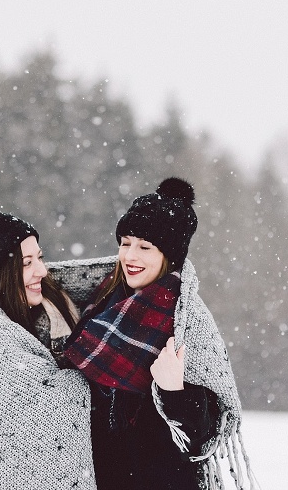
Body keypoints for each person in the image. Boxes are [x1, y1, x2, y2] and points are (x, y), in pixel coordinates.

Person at [63, 178, 257, 490]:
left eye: (145, 247)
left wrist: (174, 392)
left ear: (169, 255)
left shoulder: (187, 324)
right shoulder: (98, 305)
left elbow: (201, 442)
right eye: (125, 243)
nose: (130, 257)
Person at [0, 209, 104, 490]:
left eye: (40, 258)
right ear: (0, 276)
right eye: (26, 263)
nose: (42, 270)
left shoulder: (61, 309)